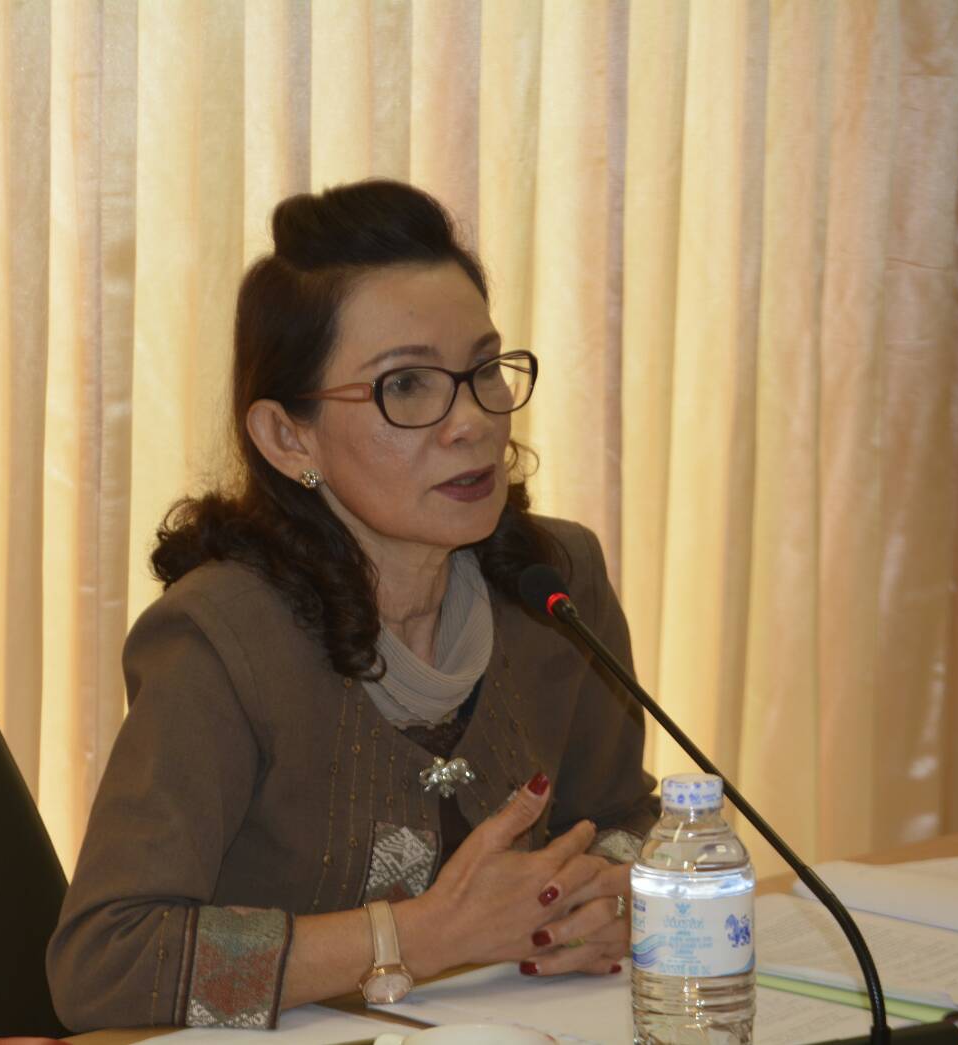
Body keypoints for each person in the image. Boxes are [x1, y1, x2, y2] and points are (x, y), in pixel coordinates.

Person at [46, 179, 657, 1031]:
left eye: (483, 369)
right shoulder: (219, 639)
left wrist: (617, 893)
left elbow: (624, 819)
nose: (471, 422)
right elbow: (108, 964)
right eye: (404, 386)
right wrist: (415, 937)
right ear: (286, 436)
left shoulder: (554, 584)